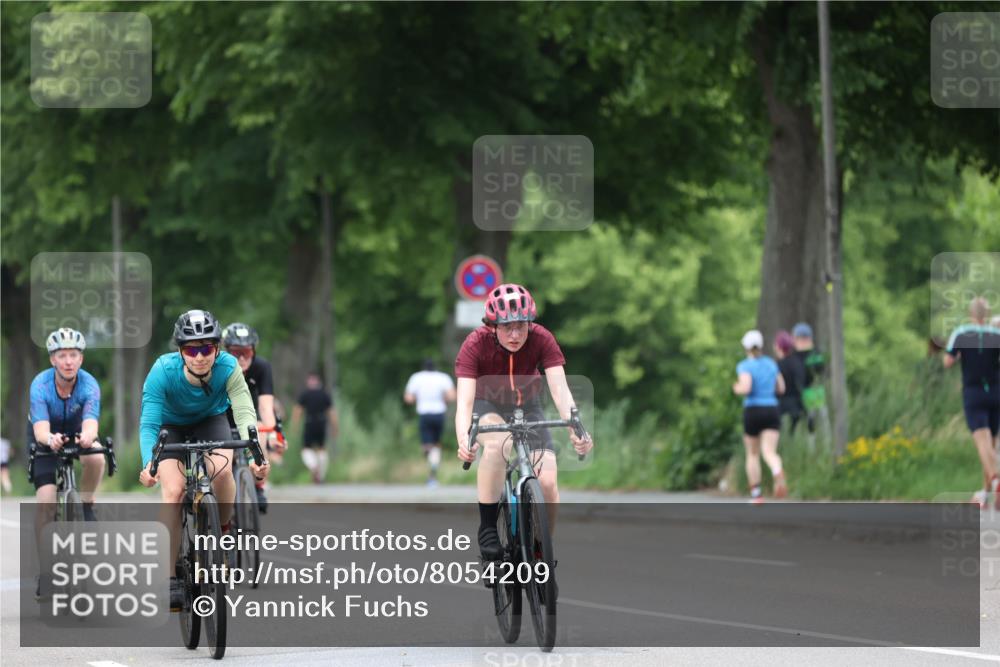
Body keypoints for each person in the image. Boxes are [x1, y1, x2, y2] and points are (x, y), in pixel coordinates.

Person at [137, 309, 269, 610]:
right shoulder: (162, 371)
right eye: (191, 349)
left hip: (211, 420)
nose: (200, 356)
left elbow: (245, 412)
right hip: (170, 428)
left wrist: (254, 454)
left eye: (206, 348)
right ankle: (170, 577)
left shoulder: (228, 366)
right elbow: (149, 424)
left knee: (222, 473)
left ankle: (222, 532)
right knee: (173, 492)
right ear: (181, 351)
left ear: (217, 348)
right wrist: (149, 464)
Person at [454, 283, 592, 561]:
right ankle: (489, 529)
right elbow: (464, 403)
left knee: (549, 484)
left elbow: (561, 391)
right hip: (486, 405)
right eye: (507, 327)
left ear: (530, 323)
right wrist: (463, 439)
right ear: (492, 326)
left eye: (521, 326)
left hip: (528, 407)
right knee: (497, 446)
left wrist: (578, 429)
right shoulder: (475, 344)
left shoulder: (542, 338)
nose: (515, 335)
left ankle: (541, 549)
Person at [28, 328, 104, 523]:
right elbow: (41, 431)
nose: (68, 361)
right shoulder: (40, 385)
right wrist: (50, 439)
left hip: (76, 431)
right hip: (45, 436)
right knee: (46, 504)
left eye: (73, 355)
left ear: (81, 359)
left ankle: (87, 504)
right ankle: (46, 552)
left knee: (97, 457)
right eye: (62, 356)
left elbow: (91, 424)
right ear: (53, 359)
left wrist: (88, 436)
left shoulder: (89, 385)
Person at [943, 297, 1000, 510]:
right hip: (995, 392)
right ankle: (985, 495)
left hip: (974, 393)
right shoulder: (996, 334)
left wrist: (958, 356)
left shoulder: (961, 333)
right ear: (987, 314)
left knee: (982, 443)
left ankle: (995, 480)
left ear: (971, 314)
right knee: (992, 444)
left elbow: (948, 361)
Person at [222, 322, 283, 512]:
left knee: (260, 433)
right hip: (221, 417)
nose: (241, 358)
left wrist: (273, 432)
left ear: (254, 351)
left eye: (246, 352)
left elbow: (266, 405)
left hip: (249, 417)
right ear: (226, 351)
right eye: (235, 353)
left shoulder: (262, 367)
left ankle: (258, 486)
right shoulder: (218, 368)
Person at [733, 329, 787, 503]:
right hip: (771, 408)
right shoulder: (771, 363)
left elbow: (746, 387)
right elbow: (781, 388)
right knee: (769, 451)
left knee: (753, 454)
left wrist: (736, 388)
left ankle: (756, 494)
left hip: (753, 410)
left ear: (746, 347)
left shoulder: (744, 365)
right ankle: (777, 469)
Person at [404, 359, 456, 487]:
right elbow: (452, 396)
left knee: (426, 446)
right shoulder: (443, 377)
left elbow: (408, 398)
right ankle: (433, 472)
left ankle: (431, 469)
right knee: (436, 444)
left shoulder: (416, 377)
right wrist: (443, 399)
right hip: (439, 414)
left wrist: (419, 398)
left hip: (424, 414)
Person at [291, 372, 339, 484]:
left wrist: (295, 426)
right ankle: (320, 476)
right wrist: (335, 428)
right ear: (318, 381)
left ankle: (313, 466)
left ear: (309, 381)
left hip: (309, 423)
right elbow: (332, 413)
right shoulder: (324, 394)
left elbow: (297, 411)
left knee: (306, 449)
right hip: (322, 423)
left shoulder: (305, 394)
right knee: (322, 449)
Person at [793, 322, 829, 445]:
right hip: (817, 392)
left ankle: (814, 449)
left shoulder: (797, 356)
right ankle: (824, 448)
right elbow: (822, 371)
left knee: (812, 424)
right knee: (820, 424)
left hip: (808, 393)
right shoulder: (816, 353)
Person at [773, 330, 805, 433]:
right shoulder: (797, 362)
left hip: (780, 406)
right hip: (796, 405)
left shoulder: (776, 365)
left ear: (779, 347)